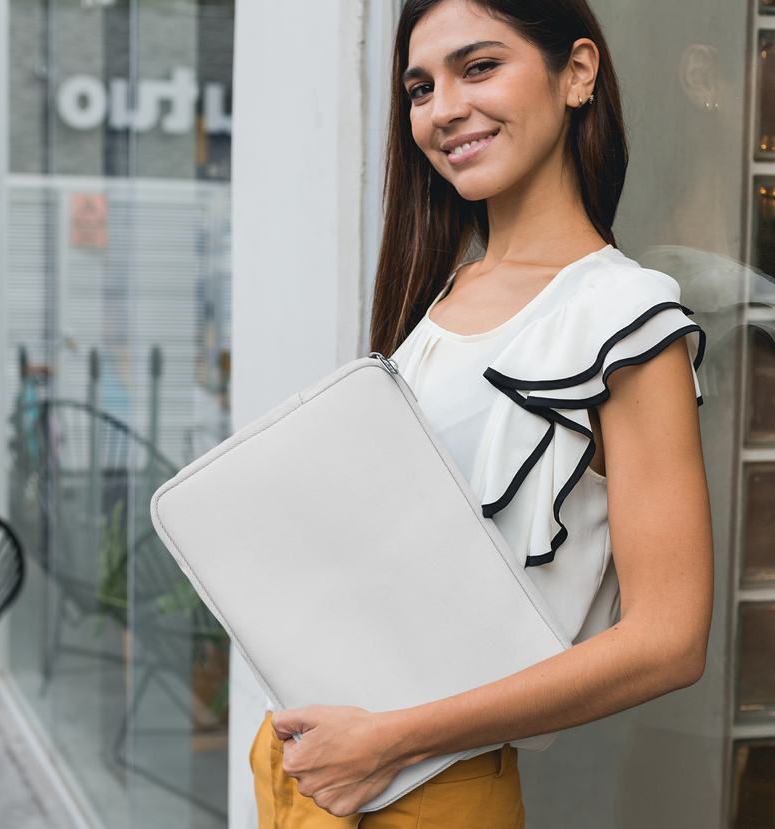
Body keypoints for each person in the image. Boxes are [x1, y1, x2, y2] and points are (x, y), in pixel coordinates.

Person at [249, 0, 714, 826]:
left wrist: (392, 738)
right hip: (301, 758)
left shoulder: (626, 319)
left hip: (427, 780)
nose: (443, 108)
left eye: (479, 67)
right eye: (420, 87)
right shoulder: (439, 293)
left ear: (577, 72)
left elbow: (669, 639)